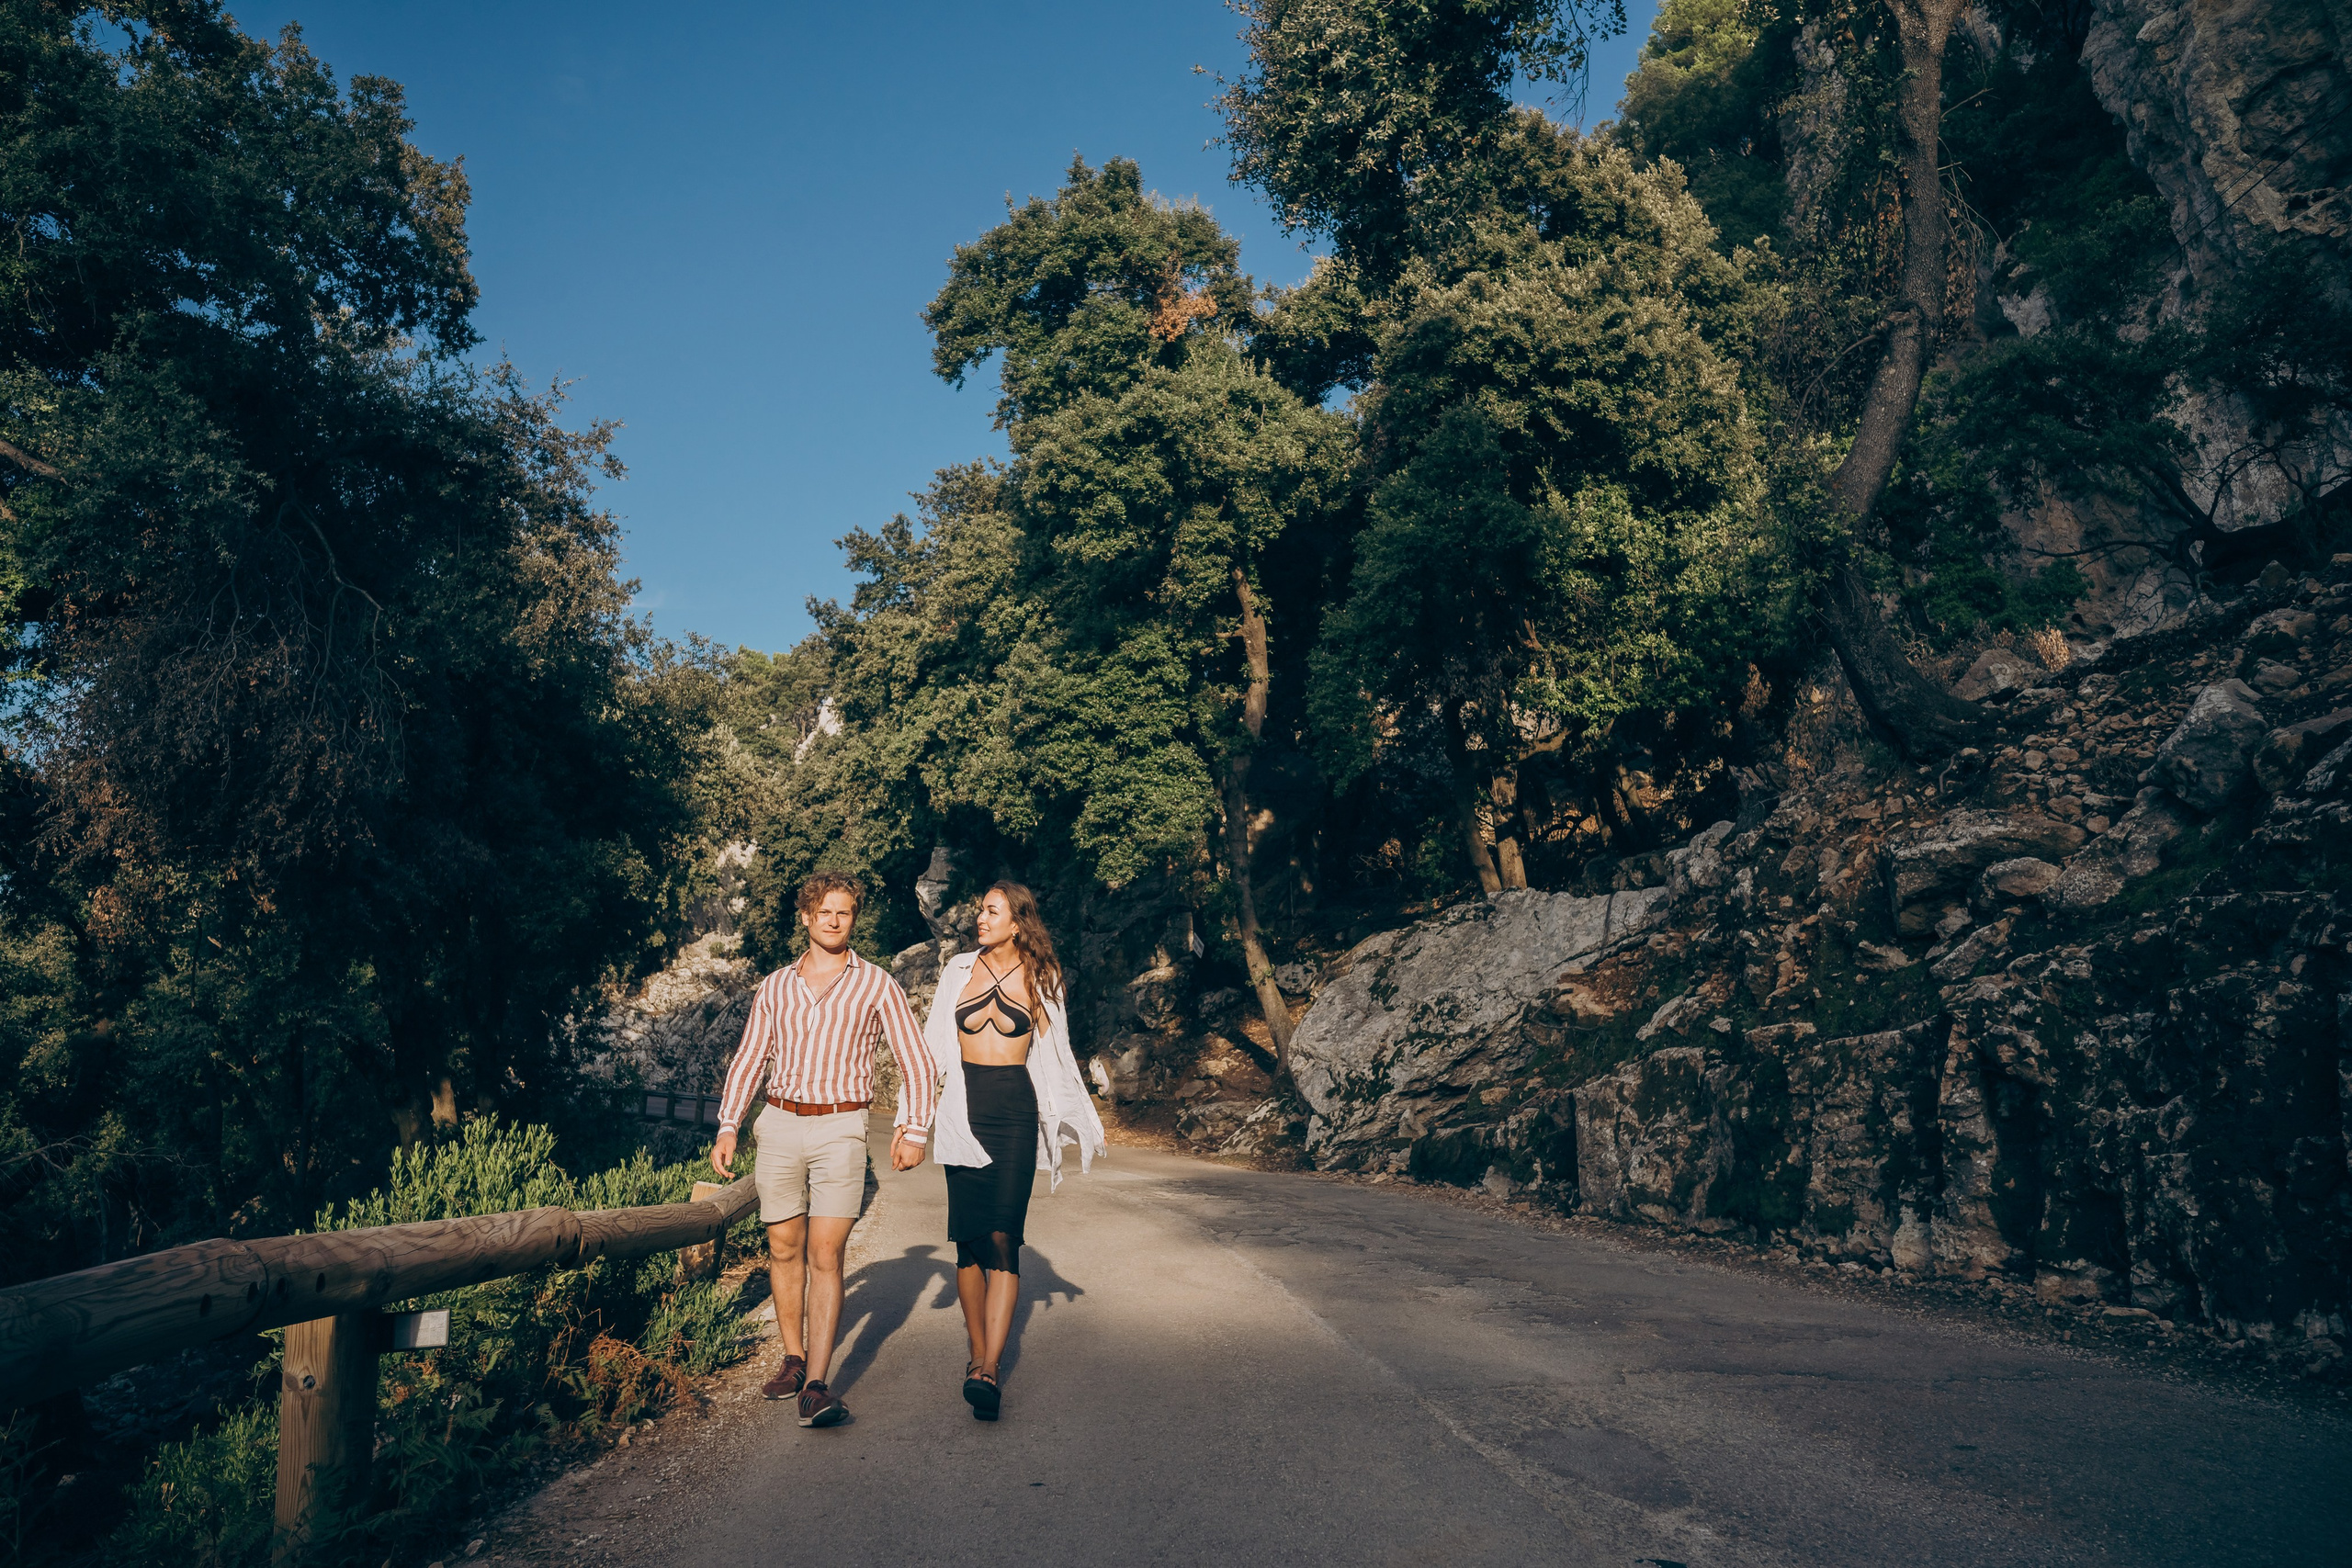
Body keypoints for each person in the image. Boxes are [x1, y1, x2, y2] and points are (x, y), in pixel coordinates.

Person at [710, 871, 936, 1429]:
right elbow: (749, 1059)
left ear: (853, 919)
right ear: (806, 918)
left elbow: (918, 1062)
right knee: (784, 1248)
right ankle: (791, 1357)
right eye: (825, 912)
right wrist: (728, 1125)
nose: (835, 921)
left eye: (845, 913)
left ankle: (816, 1382)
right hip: (781, 1122)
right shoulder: (776, 985)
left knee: (825, 1253)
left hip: (841, 1127)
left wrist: (914, 1130)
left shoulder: (877, 984)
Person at [920, 881, 1104, 1420]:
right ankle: (976, 1352)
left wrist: (1082, 1119)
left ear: (1018, 921)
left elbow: (1058, 1055)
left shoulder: (1041, 976)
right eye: (980, 910)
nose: (981, 918)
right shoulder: (957, 971)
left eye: (991, 911)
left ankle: (989, 1368)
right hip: (963, 1110)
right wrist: (913, 1122)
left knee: (1003, 1238)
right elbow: (932, 1046)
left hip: (1014, 1113)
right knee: (969, 1243)